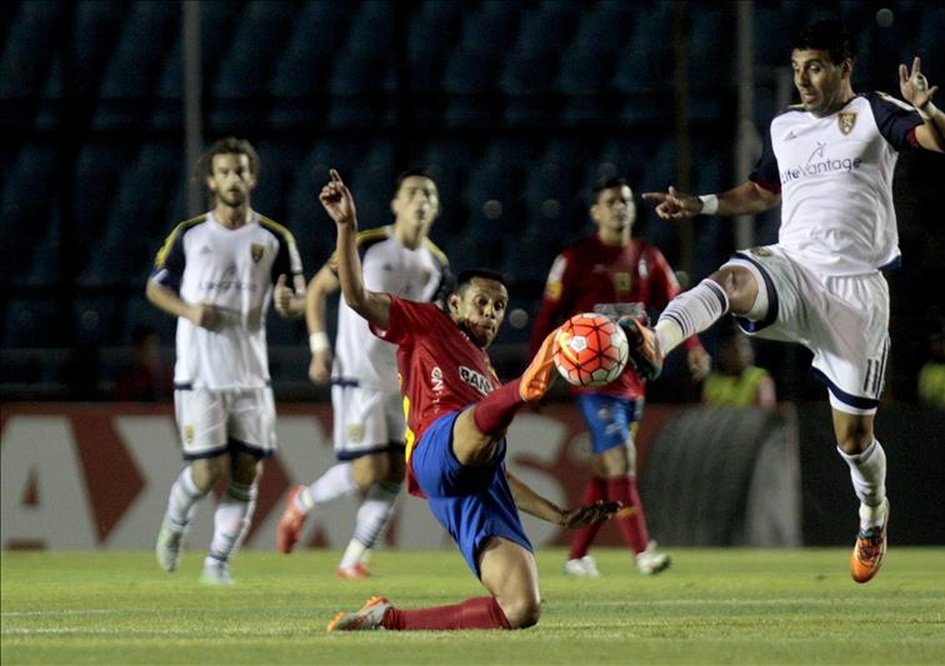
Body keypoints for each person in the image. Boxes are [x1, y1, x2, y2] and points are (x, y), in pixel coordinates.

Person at [642, 21, 945, 584]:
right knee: (733, 279)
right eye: (796, 67)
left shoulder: (873, 112)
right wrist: (703, 204)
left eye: (814, 67)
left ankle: (872, 515)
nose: (803, 79)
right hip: (793, 269)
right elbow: (764, 189)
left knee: (854, 440)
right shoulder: (785, 125)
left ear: (844, 68)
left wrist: (925, 110)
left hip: (857, 293)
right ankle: (655, 340)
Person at [319, 168, 620, 631]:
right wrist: (346, 226)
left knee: (521, 608)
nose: (491, 312)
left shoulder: (485, 371)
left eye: (499, 307)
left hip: (477, 479)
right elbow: (357, 297)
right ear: (454, 304)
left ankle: (388, 619)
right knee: (486, 421)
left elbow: (496, 467)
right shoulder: (423, 322)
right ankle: (532, 382)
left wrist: (558, 514)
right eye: (481, 302)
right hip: (435, 449)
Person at [528, 175, 710, 578]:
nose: (620, 207)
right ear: (596, 211)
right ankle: (643, 551)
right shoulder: (575, 259)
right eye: (611, 201)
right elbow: (545, 319)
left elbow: (680, 306)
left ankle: (577, 556)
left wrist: (694, 347)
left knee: (606, 469)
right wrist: (535, 374)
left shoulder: (648, 256)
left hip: (634, 378)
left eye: (625, 200)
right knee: (622, 457)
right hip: (591, 380)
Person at [275, 169, 451, 578]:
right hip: (359, 374)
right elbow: (318, 291)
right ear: (396, 204)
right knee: (369, 470)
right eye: (412, 192)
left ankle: (354, 558)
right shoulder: (368, 244)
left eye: (428, 193)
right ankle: (302, 501)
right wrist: (319, 348)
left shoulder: (437, 264)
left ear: (437, 207)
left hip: (403, 380)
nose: (420, 199)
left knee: (397, 472)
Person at [148, 137, 307, 585]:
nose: (233, 179)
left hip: (251, 375)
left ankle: (218, 562)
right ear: (211, 180)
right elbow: (155, 286)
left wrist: (288, 303)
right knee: (207, 470)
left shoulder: (275, 238)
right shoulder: (190, 234)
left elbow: (299, 297)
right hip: (200, 374)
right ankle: (175, 524)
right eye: (225, 172)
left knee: (247, 470)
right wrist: (189, 310)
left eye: (241, 171)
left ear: (251, 177)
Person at [701, 320, 776, 409]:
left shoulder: (760, 379)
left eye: (745, 345)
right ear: (724, 350)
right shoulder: (711, 382)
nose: (742, 351)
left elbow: (765, 416)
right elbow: (706, 417)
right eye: (735, 346)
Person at [112, 325, 173, 402]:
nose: (153, 351)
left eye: (156, 345)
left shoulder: (168, 375)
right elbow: (120, 406)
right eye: (148, 345)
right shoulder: (127, 378)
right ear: (138, 350)